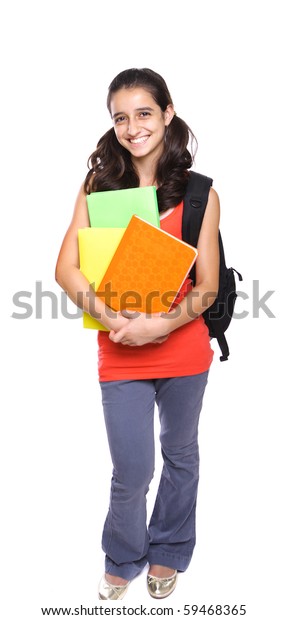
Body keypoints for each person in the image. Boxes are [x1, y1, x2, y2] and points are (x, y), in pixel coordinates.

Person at [55, 67, 220, 600]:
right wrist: (115, 319)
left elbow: (208, 288)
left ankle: (170, 550)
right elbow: (66, 270)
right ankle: (123, 555)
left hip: (184, 352)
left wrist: (160, 324)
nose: (132, 127)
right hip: (120, 350)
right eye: (120, 118)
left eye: (144, 113)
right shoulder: (99, 187)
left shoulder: (199, 194)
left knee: (180, 454)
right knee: (131, 470)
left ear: (168, 114)